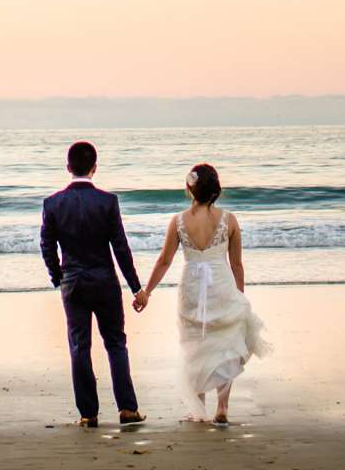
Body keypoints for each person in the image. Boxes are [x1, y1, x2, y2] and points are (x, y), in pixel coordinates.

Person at [133, 162, 270, 425]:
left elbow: (164, 260)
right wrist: (239, 296)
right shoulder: (229, 220)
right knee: (225, 343)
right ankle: (222, 408)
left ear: (189, 188)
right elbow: (237, 264)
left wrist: (147, 292)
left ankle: (198, 408)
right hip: (221, 284)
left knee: (195, 343)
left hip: (192, 286)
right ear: (216, 189)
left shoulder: (179, 221)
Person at [38, 140, 145, 428]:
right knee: (116, 343)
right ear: (94, 168)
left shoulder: (53, 204)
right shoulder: (108, 202)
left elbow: (46, 247)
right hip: (105, 283)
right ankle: (127, 409)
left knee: (79, 346)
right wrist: (136, 287)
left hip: (73, 283)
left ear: (68, 168)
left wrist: (59, 278)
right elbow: (121, 249)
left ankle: (88, 414)